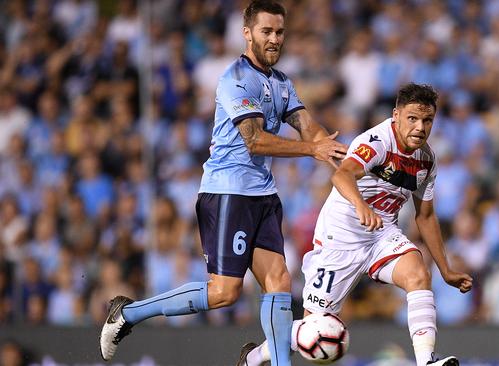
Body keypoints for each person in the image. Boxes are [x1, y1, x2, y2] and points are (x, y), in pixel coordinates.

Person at [99, 1, 347, 365]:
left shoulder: (281, 82)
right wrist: (312, 149)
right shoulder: (235, 78)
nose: (274, 39)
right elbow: (255, 139)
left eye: (279, 32)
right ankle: (127, 314)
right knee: (224, 292)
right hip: (228, 191)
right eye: (267, 31)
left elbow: (309, 126)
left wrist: (332, 152)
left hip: (263, 193)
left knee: (278, 281)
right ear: (247, 33)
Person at [240, 83, 473, 366]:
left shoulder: (426, 160)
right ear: (396, 115)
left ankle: (426, 361)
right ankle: (253, 358)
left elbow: (425, 216)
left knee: (418, 273)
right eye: (412, 118)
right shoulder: (377, 141)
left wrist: (445, 269)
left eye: (427, 120)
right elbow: (341, 176)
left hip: (381, 234)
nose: (420, 127)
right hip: (341, 237)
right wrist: (361, 206)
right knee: (314, 329)